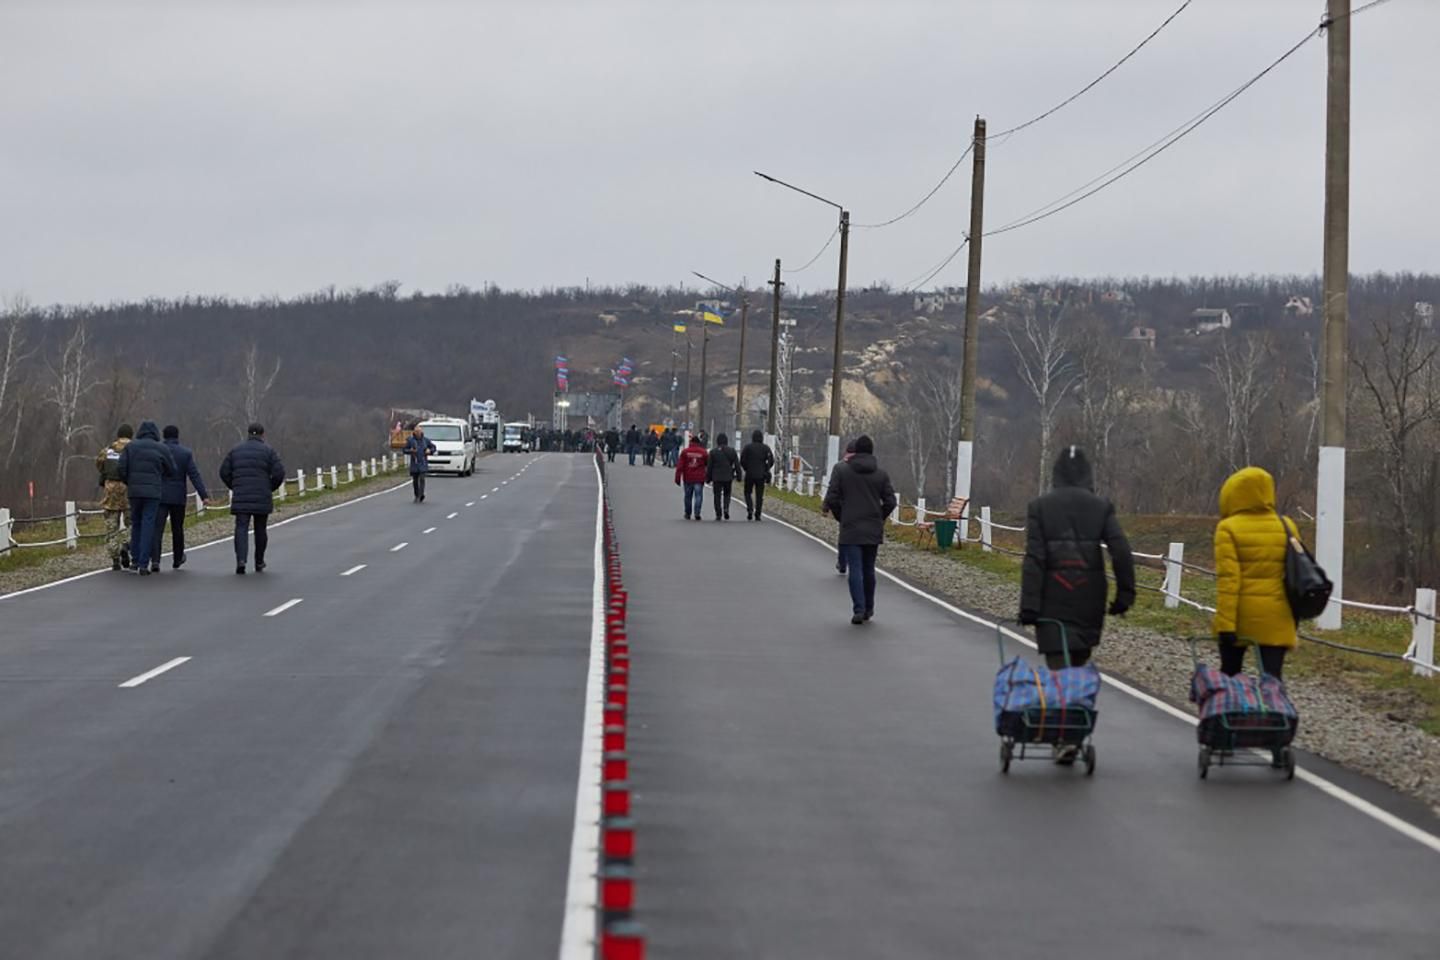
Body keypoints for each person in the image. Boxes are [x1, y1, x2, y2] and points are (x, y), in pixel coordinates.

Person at [1213, 466, 1298, 681]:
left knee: (1230, 678)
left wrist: (1225, 626)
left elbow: (1229, 582)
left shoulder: (1228, 528)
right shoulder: (1286, 526)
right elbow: (1295, 573)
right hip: (1278, 618)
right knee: (1272, 681)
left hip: (1242, 618)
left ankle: (1235, 714)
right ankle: (1275, 714)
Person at [823, 435, 896, 625]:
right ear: (871, 451)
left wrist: (842, 516)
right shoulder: (881, 474)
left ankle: (858, 608)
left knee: (855, 568)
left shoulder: (842, 470)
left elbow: (832, 497)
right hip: (872, 527)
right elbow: (890, 501)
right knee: (869, 569)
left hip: (851, 527)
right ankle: (869, 608)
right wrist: (879, 517)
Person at [220, 422, 286, 574]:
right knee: (260, 529)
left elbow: (223, 472)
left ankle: (241, 560)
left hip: (241, 494)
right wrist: (270, 488)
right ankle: (259, 561)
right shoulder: (269, 451)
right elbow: (279, 473)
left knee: (241, 527)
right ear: (263, 434)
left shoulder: (235, 451)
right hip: (262, 495)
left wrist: (234, 486)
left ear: (248, 434)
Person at [116, 420, 176, 577]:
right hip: (153, 492)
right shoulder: (161, 448)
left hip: (134, 491)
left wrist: (129, 481)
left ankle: (134, 561)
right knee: (148, 525)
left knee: (136, 524)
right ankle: (143, 563)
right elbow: (172, 469)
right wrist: (160, 476)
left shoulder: (130, 447)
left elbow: (121, 468)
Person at [155, 425, 210, 571]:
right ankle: (177, 558)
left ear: (164, 435)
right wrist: (203, 495)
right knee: (177, 528)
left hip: (160, 494)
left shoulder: (157, 451)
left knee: (158, 528)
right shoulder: (185, 453)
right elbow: (194, 475)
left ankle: (155, 560)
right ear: (177, 436)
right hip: (178, 495)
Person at [95, 424, 134, 571]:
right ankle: (126, 544)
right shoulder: (134, 449)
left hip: (110, 490)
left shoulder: (108, 450)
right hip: (129, 489)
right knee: (131, 523)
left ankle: (115, 559)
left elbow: (99, 465)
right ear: (130, 435)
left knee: (111, 527)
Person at [826, 440, 857, 575]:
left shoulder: (839, 467)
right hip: (865, 508)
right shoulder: (867, 467)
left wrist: (829, 507)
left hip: (844, 507)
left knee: (844, 536)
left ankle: (843, 562)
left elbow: (832, 490)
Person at [739, 430, 775, 521]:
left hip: (750, 474)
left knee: (747, 492)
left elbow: (742, 460)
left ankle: (750, 508)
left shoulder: (748, 447)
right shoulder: (765, 448)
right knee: (759, 495)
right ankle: (758, 514)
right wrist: (766, 468)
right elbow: (771, 460)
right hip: (761, 475)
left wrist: (746, 468)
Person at [674, 432, 709, 521]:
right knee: (698, 496)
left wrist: (677, 478)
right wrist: (708, 476)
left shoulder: (685, 452)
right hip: (699, 478)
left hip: (688, 477)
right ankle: (697, 513)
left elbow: (680, 466)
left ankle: (687, 513)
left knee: (688, 496)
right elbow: (708, 464)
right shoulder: (703, 452)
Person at [707, 432, 741, 521]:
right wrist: (739, 476)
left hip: (716, 477)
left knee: (717, 495)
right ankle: (726, 508)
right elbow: (737, 465)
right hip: (728, 476)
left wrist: (708, 478)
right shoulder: (732, 451)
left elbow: (709, 466)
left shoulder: (713, 452)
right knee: (727, 494)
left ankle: (718, 513)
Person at [403, 423, 437, 502]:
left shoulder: (426, 440)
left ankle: (421, 494)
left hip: (423, 462)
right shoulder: (410, 440)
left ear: (421, 432)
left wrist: (430, 451)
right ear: (414, 432)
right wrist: (410, 451)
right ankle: (416, 494)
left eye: (419, 432)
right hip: (414, 463)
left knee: (422, 479)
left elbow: (433, 447)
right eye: (416, 432)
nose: (418, 433)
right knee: (415, 481)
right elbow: (404, 450)